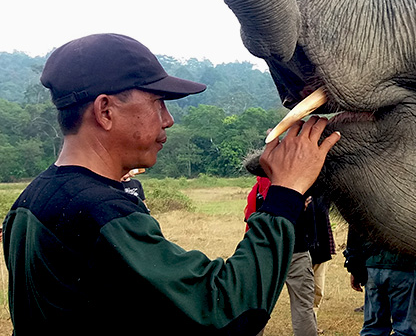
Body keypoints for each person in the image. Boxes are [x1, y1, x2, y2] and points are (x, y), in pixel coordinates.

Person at [2, 33, 339, 335]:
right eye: (158, 102)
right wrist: (285, 194)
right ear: (105, 111)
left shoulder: (29, 201)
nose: (169, 119)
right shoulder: (101, 213)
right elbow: (225, 311)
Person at [244, 175, 318, 336]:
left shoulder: (258, 191)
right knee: (303, 307)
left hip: (266, 254)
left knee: (257, 306)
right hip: (296, 253)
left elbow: (250, 223)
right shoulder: (299, 186)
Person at [343, 225, 416, 336]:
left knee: (373, 329)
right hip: (402, 266)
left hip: (372, 266)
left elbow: (354, 228)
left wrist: (354, 268)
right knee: (404, 328)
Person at [308, 194, 336, 324]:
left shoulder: (323, 195)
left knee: (318, 289)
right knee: (303, 290)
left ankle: (312, 322)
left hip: (320, 249)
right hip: (301, 250)